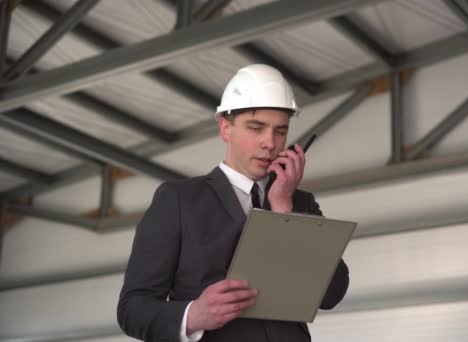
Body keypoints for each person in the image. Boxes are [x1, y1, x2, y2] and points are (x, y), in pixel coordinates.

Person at [117, 64, 350, 342]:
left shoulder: (300, 202)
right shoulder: (179, 200)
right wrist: (192, 315)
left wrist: (284, 209)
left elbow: (332, 293)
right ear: (226, 128)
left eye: (280, 131)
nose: (270, 143)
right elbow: (132, 308)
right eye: (256, 128)